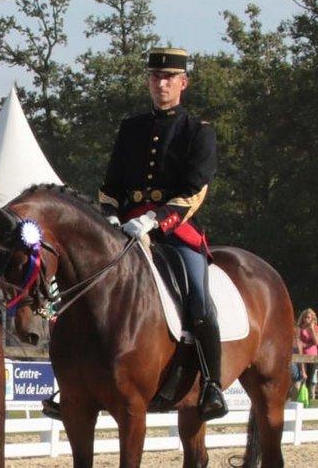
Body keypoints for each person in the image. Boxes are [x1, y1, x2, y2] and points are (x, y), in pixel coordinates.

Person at [42, 47, 223, 420]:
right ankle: (72, 385)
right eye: (156, 77)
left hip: (173, 232)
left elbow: (194, 190)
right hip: (122, 231)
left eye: (169, 78)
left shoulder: (198, 132)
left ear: (183, 83)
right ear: (148, 81)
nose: (162, 84)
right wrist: (108, 218)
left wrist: (155, 220)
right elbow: (111, 186)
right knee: (78, 290)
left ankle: (211, 384)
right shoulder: (131, 128)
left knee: (199, 298)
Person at [297, 308, 318, 393]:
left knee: (311, 380)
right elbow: (298, 342)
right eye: (305, 317)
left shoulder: (317, 328)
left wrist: (311, 329)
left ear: (312, 319)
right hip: (302, 356)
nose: (307, 319)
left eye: (309, 317)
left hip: (313, 356)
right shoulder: (300, 328)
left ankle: (309, 398)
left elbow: (317, 342)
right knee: (302, 377)